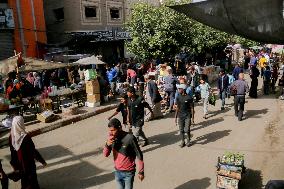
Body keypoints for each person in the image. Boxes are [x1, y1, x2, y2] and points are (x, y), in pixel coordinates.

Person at [103, 118, 145, 189]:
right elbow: (105, 154)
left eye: (113, 130)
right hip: (117, 172)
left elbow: (139, 154)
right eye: (109, 130)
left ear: (120, 128)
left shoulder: (130, 138)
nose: (110, 132)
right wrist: (107, 144)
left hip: (128, 173)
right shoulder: (111, 139)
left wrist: (141, 171)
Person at [9, 116, 47, 189]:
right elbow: (33, 152)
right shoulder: (25, 137)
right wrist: (42, 161)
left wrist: (14, 165)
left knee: (24, 179)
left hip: (19, 164)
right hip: (28, 164)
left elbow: (12, 153)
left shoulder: (11, 136)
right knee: (32, 180)